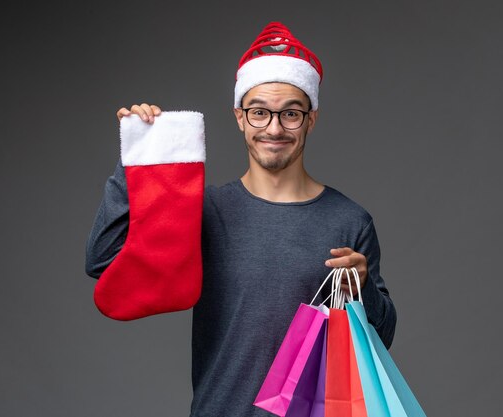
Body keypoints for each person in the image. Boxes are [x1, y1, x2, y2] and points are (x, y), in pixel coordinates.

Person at [86, 21, 397, 416]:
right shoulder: (206, 212)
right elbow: (103, 260)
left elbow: (381, 339)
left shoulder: (349, 221)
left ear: (311, 119)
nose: (274, 128)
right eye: (259, 113)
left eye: (291, 114)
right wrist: (138, 159)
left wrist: (362, 287)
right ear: (239, 117)